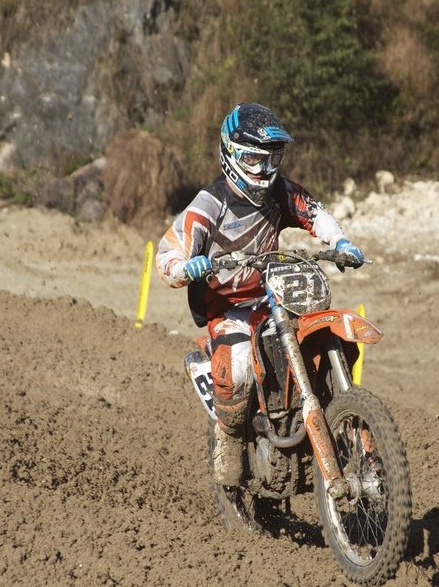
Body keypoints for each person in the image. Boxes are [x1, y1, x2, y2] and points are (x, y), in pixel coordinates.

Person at [156, 102, 366, 486]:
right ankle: (229, 437)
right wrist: (185, 267)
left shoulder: (279, 191)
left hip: (274, 295)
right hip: (228, 306)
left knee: (321, 332)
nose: (265, 170)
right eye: (255, 159)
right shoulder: (210, 203)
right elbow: (168, 250)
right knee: (237, 368)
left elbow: (313, 212)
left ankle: (337, 408)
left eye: (272, 159)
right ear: (232, 155)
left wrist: (340, 241)